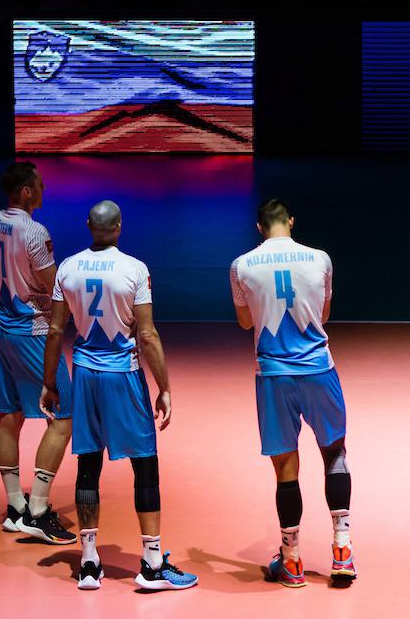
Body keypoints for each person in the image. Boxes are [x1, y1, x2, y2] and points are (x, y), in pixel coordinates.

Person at [42, 201, 198, 591]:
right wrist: (164, 387)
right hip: (122, 376)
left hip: (86, 376)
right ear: (119, 227)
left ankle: (90, 563)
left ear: (88, 227)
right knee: (145, 464)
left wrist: (49, 382)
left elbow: (55, 331)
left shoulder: (68, 268)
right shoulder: (134, 268)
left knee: (88, 464)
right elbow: (146, 334)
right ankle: (151, 563)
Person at [229, 199, 354, 588]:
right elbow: (325, 314)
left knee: (286, 470)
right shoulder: (320, 259)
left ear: (259, 228)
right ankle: (342, 551)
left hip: (273, 375)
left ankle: (293, 561)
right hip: (319, 370)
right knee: (334, 453)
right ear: (291, 222)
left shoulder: (242, 265)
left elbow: (244, 320)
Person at [0, 162, 75, 544]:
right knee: (63, 416)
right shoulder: (35, 231)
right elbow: (52, 285)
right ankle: (37, 510)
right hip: (32, 329)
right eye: (38, 184)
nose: (43, 187)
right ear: (25, 191)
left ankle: (14, 507)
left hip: (2, 326)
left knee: (11, 414)